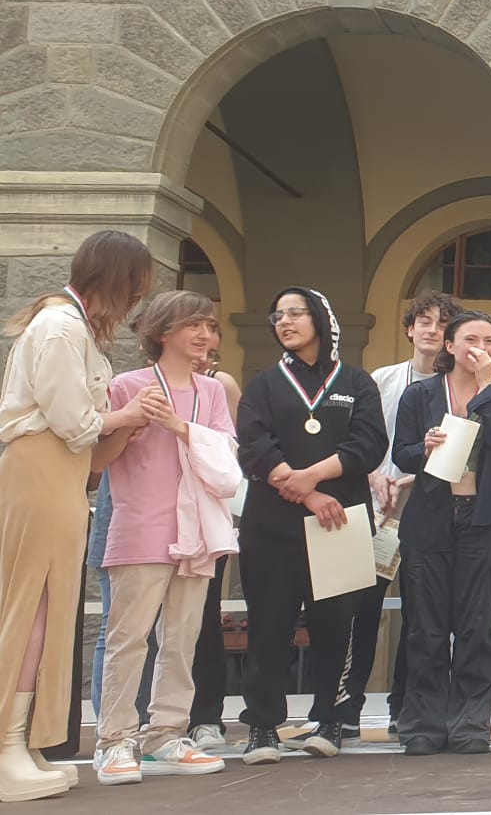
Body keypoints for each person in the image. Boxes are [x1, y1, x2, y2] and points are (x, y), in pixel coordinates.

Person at [0, 230, 155, 802]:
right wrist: (125, 415)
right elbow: (74, 422)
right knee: (32, 604)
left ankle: (23, 741)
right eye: (136, 285)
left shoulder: (67, 326)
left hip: (56, 472)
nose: (137, 298)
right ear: (119, 280)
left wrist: (118, 424)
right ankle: (7, 744)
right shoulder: (61, 327)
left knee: (49, 604)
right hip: (42, 467)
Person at [234, 287, 388, 764]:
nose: (284, 321)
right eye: (277, 315)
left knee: (337, 625)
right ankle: (263, 727)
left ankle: (331, 720)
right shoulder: (263, 384)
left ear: (320, 318)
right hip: (272, 525)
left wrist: (313, 475)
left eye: (295, 313)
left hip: (340, 522)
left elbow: (369, 444)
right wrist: (307, 492)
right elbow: (253, 446)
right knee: (269, 624)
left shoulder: (357, 383)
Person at [91, 291, 238, 785]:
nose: (205, 335)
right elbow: (97, 462)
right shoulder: (126, 385)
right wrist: (129, 421)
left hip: (197, 533)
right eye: (194, 324)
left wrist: (178, 426)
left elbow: (227, 460)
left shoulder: (211, 391)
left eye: (210, 326)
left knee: (181, 639)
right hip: (139, 527)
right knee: (128, 639)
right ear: (162, 332)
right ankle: (114, 740)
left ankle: (167, 734)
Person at [341, 291, 460, 740]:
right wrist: (375, 477)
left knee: (419, 614)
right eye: (424, 321)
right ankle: (347, 706)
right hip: (376, 510)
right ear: (410, 329)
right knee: (362, 610)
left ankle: (404, 706)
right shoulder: (382, 379)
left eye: (442, 323)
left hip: (425, 508)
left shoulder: (456, 386)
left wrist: (408, 479)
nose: (432, 329)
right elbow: (358, 438)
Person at [393, 311, 491, 755]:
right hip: (431, 518)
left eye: (490, 340)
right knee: (426, 626)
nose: (481, 347)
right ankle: (423, 722)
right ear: (450, 346)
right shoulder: (421, 394)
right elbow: (401, 454)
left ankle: (470, 721)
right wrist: (423, 448)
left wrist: (486, 387)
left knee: (478, 625)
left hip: (483, 518)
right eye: (471, 339)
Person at [187, 348, 242, 753]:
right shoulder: (138, 385)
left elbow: (232, 454)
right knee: (145, 627)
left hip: (206, 514)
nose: (200, 351)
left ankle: (205, 717)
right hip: (155, 514)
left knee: (204, 618)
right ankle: (149, 718)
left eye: (208, 345)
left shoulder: (219, 386)